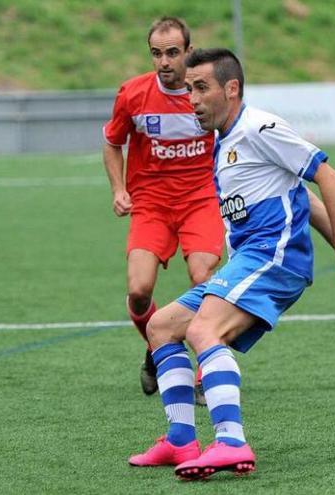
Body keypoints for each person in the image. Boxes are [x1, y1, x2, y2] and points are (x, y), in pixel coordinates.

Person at [127, 48, 335, 480]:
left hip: (274, 257)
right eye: (189, 89)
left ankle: (231, 442)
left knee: (203, 329)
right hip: (251, 258)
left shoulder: (258, 128)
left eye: (201, 88)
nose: (191, 98)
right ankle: (180, 440)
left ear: (231, 89)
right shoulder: (225, 138)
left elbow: (326, 175)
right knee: (162, 327)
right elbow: (299, 195)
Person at [103, 16, 222, 399]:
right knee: (139, 290)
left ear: (189, 51)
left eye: (173, 53)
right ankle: (158, 348)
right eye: (157, 54)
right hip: (151, 203)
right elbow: (112, 142)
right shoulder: (133, 94)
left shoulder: (207, 93)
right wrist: (119, 189)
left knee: (203, 277)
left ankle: (204, 372)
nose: (165, 62)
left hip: (200, 199)